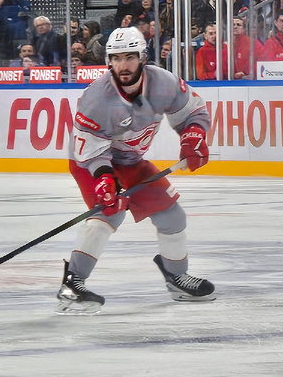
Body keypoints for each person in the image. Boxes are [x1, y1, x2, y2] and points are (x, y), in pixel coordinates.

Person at [61, 27, 214, 313]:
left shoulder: (163, 83)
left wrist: (193, 135)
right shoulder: (96, 98)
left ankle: (176, 276)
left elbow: (193, 111)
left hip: (130, 161)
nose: (124, 65)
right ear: (108, 61)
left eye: (130, 57)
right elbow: (90, 152)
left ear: (143, 57)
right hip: (91, 163)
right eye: (117, 58)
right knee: (109, 213)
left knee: (171, 214)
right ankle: (73, 282)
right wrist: (104, 180)